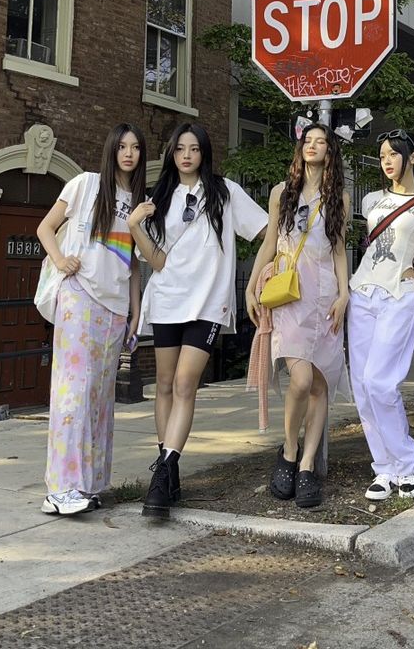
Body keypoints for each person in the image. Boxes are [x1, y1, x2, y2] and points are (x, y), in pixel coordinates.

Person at [129, 123, 268, 519]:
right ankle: (167, 470)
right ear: (172, 154)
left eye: (194, 148)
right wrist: (135, 226)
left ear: (204, 153)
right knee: (165, 384)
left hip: (207, 302)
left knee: (187, 383)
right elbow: (156, 261)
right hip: (168, 299)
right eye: (179, 149)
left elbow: (266, 230)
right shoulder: (160, 197)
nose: (186, 155)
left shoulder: (225, 193)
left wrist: (260, 277)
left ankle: (164, 471)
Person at [37, 123, 147, 515]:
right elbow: (46, 227)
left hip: (115, 309)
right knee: (74, 390)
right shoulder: (85, 184)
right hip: (79, 296)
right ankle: (62, 488)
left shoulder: (137, 201)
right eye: (122, 146)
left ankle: (92, 483)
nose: (129, 153)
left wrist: (135, 312)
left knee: (100, 396)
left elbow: (133, 264)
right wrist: (60, 260)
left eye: (135, 147)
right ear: (111, 150)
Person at [245, 123, 351, 508]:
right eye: (308, 140)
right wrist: (251, 284)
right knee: (301, 379)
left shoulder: (339, 196)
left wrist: (344, 293)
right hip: (291, 294)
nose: (313, 146)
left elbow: (339, 250)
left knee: (321, 383)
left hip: (325, 298)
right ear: (300, 147)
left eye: (321, 142)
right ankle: (289, 449)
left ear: (330, 152)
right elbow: (271, 243)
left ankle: (306, 464)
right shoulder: (281, 193)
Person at [348, 129, 414, 501]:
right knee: (362, 387)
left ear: (413, 157)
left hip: (398, 296)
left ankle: (408, 462)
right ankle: (384, 468)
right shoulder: (371, 199)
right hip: (362, 293)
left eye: (394, 154)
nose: (387, 161)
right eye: (383, 155)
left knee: (380, 383)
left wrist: (411, 299)